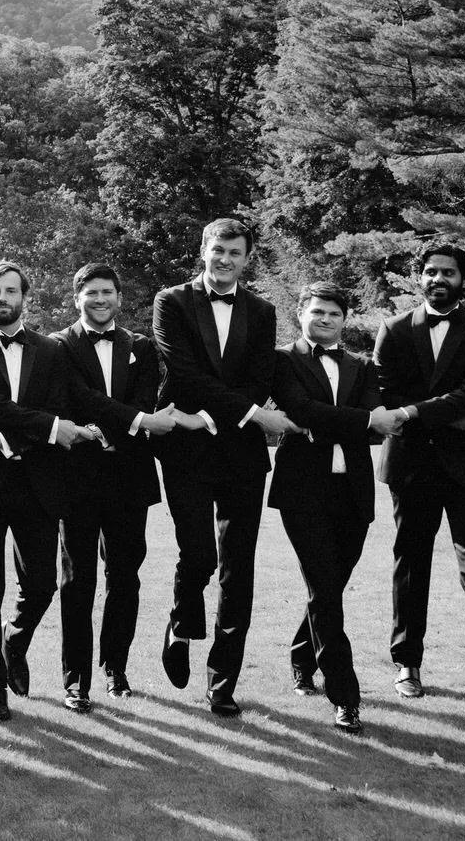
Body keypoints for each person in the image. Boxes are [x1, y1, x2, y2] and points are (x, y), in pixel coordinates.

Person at [150, 217, 295, 716]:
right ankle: (181, 625)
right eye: (218, 250)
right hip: (186, 448)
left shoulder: (263, 309)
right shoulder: (170, 302)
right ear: (204, 250)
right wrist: (240, 414)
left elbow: (261, 377)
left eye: (235, 252)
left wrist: (221, 415)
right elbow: (183, 370)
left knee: (238, 568)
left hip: (241, 454)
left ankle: (223, 680)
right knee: (198, 555)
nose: (225, 259)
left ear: (247, 257)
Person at [0, 260, 105, 720]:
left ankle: (13, 639)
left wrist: (13, 434)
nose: (3, 298)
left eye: (11, 291)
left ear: (25, 297)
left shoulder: (52, 350)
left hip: (39, 482)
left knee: (40, 584)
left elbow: (57, 405)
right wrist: (48, 429)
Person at [372, 243, 465, 725]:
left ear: (464, 281)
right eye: (430, 271)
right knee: (410, 564)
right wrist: (447, 418)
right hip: (411, 467)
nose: (438, 278)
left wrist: (415, 411)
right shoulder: (392, 330)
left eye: (448, 272)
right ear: (420, 277)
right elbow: (387, 397)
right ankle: (406, 663)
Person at [49, 263, 171, 709]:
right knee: (77, 579)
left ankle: (115, 669)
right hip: (77, 477)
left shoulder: (140, 345)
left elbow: (144, 399)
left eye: (107, 292)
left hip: (129, 478)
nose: (100, 300)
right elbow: (75, 398)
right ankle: (75, 678)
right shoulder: (59, 346)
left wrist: (117, 425)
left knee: (125, 576)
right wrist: (134, 422)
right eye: (91, 293)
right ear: (76, 297)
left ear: (119, 297)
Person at [269, 281, 384, 735]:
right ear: (300, 314)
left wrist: (325, 423)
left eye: (334, 314)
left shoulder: (363, 365)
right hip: (303, 491)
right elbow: (297, 407)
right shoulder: (283, 360)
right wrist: (355, 422)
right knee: (324, 584)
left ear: (345, 319)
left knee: (330, 586)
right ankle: (345, 696)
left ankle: (302, 656)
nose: (326, 320)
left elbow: (374, 418)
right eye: (317, 312)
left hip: (353, 491)